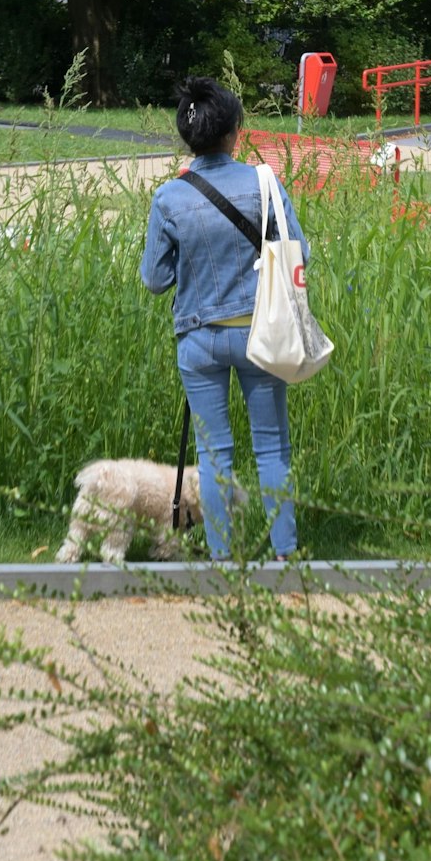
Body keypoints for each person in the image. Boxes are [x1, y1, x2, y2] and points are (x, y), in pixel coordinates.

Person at [140, 77, 307, 561]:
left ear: (187, 136)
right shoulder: (265, 182)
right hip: (262, 333)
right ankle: (284, 554)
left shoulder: (169, 197)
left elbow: (155, 279)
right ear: (236, 131)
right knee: (272, 449)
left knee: (214, 456)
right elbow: (301, 254)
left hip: (198, 339)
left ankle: (219, 558)